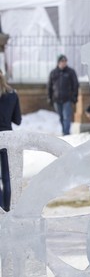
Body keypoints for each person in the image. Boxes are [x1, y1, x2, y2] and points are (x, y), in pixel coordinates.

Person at [0, 69, 22, 212]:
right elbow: (18, 120)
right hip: (7, 137)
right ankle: (7, 208)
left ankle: (0, 206)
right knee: (7, 177)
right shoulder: (12, 95)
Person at [47, 54, 79, 135]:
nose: (64, 63)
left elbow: (75, 85)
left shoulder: (71, 72)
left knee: (67, 116)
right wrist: (49, 97)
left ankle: (66, 132)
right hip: (56, 99)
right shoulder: (53, 73)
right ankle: (64, 130)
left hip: (67, 99)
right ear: (58, 62)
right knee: (61, 117)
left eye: (65, 61)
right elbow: (49, 86)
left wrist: (75, 96)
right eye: (62, 61)